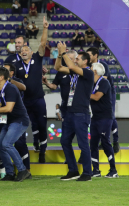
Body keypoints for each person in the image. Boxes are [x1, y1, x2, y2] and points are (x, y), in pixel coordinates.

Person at [55, 42, 93, 181]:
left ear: (85, 61)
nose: (75, 61)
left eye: (77, 59)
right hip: (70, 112)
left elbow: (70, 66)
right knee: (65, 141)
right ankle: (73, 170)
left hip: (80, 113)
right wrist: (59, 55)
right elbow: (58, 67)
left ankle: (87, 173)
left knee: (83, 144)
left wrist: (64, 52)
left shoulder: (88, 72)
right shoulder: (75, 73)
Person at [13, 17, 49, 162]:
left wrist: (45, 28)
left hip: (39, 99)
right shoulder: (17, 66)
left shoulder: (38, 59)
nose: (24, 51)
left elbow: (43, 43)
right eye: (22, 50)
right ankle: (30, 146)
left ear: (31, 51)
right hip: (24, 101)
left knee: (41, 125)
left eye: (26, 49)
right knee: (26, 125)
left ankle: (43, 151)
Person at [86, 47, 119, 153]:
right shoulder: (89, 67)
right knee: (97, 118)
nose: (88, 57)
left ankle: (116, 141)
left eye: (89, 55)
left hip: (107, 94)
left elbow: (102, 79)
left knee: (111, 116)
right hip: (96, 93)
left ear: (96, 55)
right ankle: (102, 141)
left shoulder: (103, 65)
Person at [89, 62, 118, 178]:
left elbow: (96, 97)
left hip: (105, 117)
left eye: (91, 69)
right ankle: (95, 170)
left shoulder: (104, 82)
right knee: (93, 144)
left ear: (95, 71)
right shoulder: (92, 83)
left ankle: (113, 170)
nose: (89, 70)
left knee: (105, 142)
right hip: (95, 117)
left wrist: (83, 94)